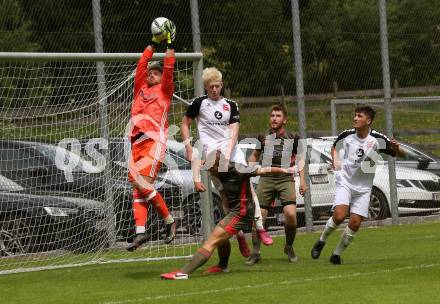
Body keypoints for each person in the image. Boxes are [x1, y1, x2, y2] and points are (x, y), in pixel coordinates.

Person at [180, 67, 273, 259]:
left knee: (247, 188)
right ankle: (238, 235)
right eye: (211, 86)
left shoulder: (231, 104)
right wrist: (189, 146)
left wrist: (228, 153)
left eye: (217, 86)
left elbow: (234, 131)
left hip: (232, 153)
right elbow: (184, 124)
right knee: (224, 196)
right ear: (206, 87)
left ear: (222, 85)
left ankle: (260, 227)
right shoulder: (199, 103)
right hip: (212, 156)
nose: (215, 89)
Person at [161, 151, 295, 280]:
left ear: (219, 166)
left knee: (211, 241)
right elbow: (196, 162)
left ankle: (182, 273)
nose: (209, 170)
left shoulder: (239, 170)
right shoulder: (215, 166)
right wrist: (196, 179)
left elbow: (265, 170)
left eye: (211, 168)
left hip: (242, 212)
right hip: (234, 210)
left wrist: (285, 171)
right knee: (221, 238)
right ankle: (222, 266)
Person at [310, 105, 405, 264]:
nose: (355, 118)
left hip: (364, 187)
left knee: (355, 222)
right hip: (345, 181)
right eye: (355, 115)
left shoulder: (378, 139)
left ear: (368, 120)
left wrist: (397, 148)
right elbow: (335, 147)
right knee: (340, 215)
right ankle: (321, 240)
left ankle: (336, 254)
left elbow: (400, 154)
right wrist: (336, 159)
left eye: (359, 116)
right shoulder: (346, 135)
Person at [126, 20, 177, 251]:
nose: (152, 75)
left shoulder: (164, 91)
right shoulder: (140, 88)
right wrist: (151, 44)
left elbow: (169, 67)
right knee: (137, 189)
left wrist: (169, 43)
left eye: (155, 73)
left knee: (142, 183)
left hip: (154, 140)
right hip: (136, 143)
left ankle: (169, 221)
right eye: (150, 72)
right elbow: (141, 64)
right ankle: (141, 233)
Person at [246, 104, 308, 265]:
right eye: (272, 115)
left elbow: (301, 159)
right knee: (260, 217)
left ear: (285, 120)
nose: (274, 118)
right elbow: (254, 155)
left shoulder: (293, 137)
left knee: (291, 214)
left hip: (285, 179)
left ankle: (289, 246)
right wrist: (245, 170)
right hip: (266, 179)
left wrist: (302, 180)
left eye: (278, 116)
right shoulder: (263, 137)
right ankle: (256, 252)